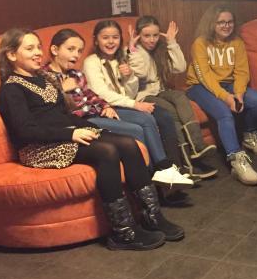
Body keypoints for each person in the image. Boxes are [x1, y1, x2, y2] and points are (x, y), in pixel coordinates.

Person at [0, 28, 184, 250]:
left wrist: (94, 129)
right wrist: (71, 134)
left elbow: (63, 115)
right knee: (107, 151)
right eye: (29, 48)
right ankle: (122, 232)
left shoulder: (44, 79)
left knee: (127, 143)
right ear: (11, 54)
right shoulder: (11, 89)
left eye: (38, 47)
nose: (38, 52)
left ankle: (153, 217)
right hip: (39, 148)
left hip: (65, 135)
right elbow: (24, 131)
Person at [82, 20, 192, 189]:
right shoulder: (91, 62)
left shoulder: (121, 59)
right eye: (105, 38)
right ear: (96, 40)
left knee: (150, 118)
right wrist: (134, 104)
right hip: (103, 108)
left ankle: (165, 170)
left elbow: (130, 92)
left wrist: (130, 76)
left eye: (115, 37)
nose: (111, 42)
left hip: (121, 105)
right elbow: (101, 92)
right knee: (141, 124)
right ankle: (159, 172)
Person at [185, 5, 257, 185]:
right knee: (224, 113)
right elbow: (205, 76)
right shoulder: (200, 43)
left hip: (228, 84)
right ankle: (236, 160)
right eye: (221, 22)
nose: (226, 26)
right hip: (199, 85)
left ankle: (249, 136)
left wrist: (239, 94)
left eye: (230, 22)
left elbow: (242, 72)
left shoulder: (237, 42)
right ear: (211, 23)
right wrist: (227, 98)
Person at [128, 16, 217, 180]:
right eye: (146, 36)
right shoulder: (134, 52)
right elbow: (141, 73)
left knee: (180, 97)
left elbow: (180, 67)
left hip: (161, 91)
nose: (152, 40)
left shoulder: (160, 49)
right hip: (143, 96)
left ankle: (197, 146)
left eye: (155, 35)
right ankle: (187, 163)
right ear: (138, 35)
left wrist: (172, 43)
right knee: (170, 111)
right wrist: (133, 50)